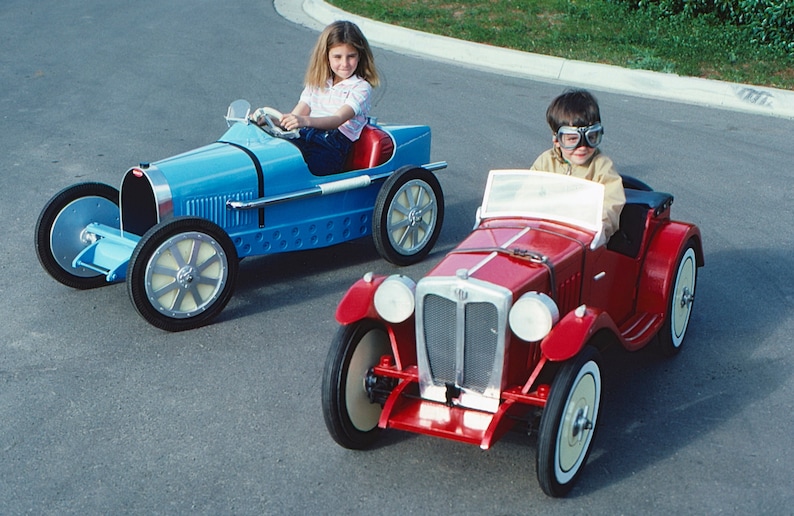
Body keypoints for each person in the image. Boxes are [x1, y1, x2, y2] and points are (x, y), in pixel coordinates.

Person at [253, 21, 380, 176]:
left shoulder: (360, 87)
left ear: (360, 55)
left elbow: (337, 119)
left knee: (303, 173)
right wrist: (268, 120)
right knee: (273, 161)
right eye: (337, 57)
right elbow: (295, 117)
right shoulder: (318, 82)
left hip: (331, 144)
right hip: (304, 135)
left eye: (351, 56)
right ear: (326, 57)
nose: (344, 64)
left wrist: (304, 121)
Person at [530, 89, 625, 244]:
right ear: (556, 140)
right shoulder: (545, 162)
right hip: (545, 234)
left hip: (585, 241)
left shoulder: (602, 166)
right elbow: (526, 194)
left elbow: (611, 202)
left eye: (591, 138)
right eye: (573, 139)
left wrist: (599, 227)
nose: (582, 147)